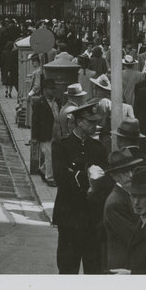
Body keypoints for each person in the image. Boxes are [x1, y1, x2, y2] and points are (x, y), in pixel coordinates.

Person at [51, 98, 107, 274]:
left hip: (92, 218)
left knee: (93, 269)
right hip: (69, 217)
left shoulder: (99, 148)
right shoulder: (61, 146)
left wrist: (75, 174)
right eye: (91, 122)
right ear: (80, 122)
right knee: (68, 267)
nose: (95, 126)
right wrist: (88, 177)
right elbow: (61, 177)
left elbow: (104, 178)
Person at [92, 148, 146, 272]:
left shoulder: (128, 195)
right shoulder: (115, 203)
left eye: (132, 170)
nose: (131, 175)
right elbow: (134, 237)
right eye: (124, 172)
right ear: (114, 176)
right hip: (122, 266)